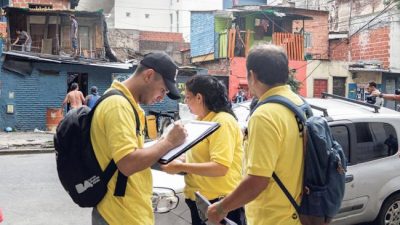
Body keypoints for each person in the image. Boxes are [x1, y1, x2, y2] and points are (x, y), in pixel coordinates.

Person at [207, 45, 304, 225]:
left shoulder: (265, 115)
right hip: (298, 214)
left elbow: (257, 180)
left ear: (252, 75)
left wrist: (221, 208)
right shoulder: (299, 104)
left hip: (274, 219)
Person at [90, 52, 187, 225]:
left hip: (130, 211)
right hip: (119, 215)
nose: (161, 97)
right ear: (148, 75)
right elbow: (127, 163)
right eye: (163, 90)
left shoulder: (129, 105)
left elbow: (135, 154)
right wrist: (169, 142)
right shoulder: (117, 106)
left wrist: (167, 156)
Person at [161, 75, 246, 225]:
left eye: (187, 97)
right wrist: (182, 159)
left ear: (199, 98)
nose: (185, 102)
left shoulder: (222, 122)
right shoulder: (201, 121)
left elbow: (220, 167)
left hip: (219, 202)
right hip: (200, 199)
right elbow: (200, 157)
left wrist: (181, 166)